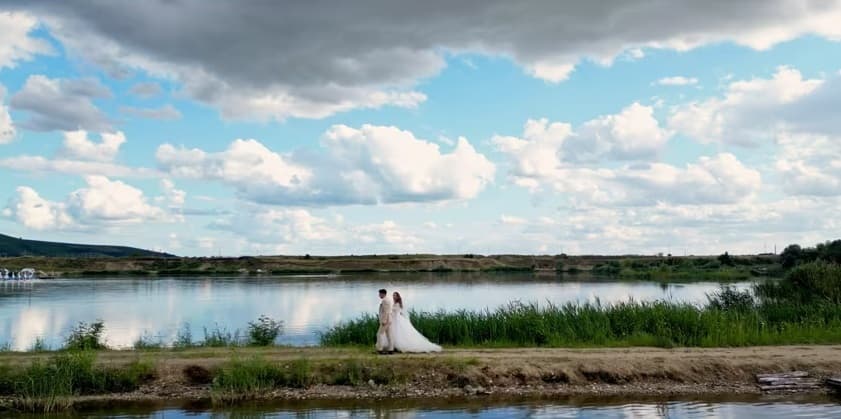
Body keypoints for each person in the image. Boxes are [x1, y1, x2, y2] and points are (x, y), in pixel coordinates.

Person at [376, 288, 394, 353]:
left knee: (379, 334)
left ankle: (380, 349)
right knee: (389, 334)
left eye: (379, 294)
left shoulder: (385, 300)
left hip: (386, 320)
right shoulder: (388, 299)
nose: (379, 295)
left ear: (383, 294)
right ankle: (390, 349)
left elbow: (386, 311)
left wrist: (384, 320)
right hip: (389, 320)